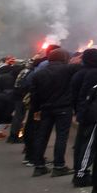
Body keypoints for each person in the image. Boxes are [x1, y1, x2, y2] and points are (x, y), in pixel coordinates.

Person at [29, 48, 82, 177]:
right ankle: (59, 166)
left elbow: (34, 95)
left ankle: (39, 166)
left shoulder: (39, 74)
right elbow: (82, 67)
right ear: (64, 57)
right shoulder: (68, 69)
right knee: (61, 137)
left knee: (42, 136)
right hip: (63, 108)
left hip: (45, 109)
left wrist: (36, 110)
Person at [70, 48, 97, 187]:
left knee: (81, 143)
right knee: (89, 145)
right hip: (93, 114)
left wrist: (78, 111)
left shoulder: (78, 74)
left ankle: (78, 171)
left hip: (83, 113)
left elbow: (74, 96)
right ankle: (81, 174)